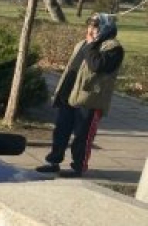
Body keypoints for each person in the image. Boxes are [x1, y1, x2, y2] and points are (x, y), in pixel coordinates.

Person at [35, 13, 124, 177]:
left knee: (82, 136)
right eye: (89, 26)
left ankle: (78, 167)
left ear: (106, 28)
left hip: (90, 99)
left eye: (95, 26)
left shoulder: (112, 47)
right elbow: (72, 68)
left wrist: (91, 45)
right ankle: (53, 162)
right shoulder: (83, 43)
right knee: (61, 131)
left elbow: (96, 65)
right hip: (69, 95)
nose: (90, 30)